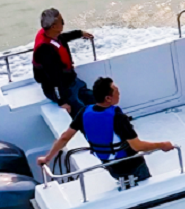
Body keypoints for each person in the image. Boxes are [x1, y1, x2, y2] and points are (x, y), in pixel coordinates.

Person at [36, 77, 175, 188]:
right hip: (133, 164)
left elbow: (65, 137)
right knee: (145, 186)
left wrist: (47, 158)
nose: (119, 93)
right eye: (116, 91)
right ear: (108, 98)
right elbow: (137, 146)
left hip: (110, 166)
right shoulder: (117, 117)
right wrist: (162, 145)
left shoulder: (84, 112)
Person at [33, 8, 95, 115]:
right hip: (62, 89)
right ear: (53, 26)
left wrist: (80, 33)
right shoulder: (45, 50)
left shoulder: (50, 35)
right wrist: (61, 101)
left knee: (95, 98)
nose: (64, 23)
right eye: (61, 21)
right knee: (81, 111)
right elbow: (52, 79)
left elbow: (63, 38)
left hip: (70, 80)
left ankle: (116, 120)